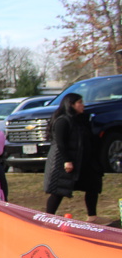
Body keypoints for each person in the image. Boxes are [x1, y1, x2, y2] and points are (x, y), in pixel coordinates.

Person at [43, 93, 103, 222]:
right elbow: (60, 143)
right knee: (58, 190)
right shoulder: (62, 121)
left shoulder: (80, 120)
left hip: (82, 161)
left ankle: (92, 217)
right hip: (64, 162)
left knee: (93, 185)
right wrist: (67, 161)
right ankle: (48, 218)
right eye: (80, 102)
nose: (83, 105)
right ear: (71, 104)